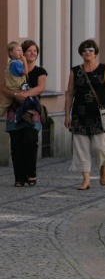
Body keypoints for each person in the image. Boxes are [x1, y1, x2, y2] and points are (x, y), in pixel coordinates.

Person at [63, 39, 105, 190]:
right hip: (80, 113)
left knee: (100, 146)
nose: (88, 52)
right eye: (85, 50)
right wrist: (67, 115)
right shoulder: (75, 71)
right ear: (81, 53)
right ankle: (86, 179)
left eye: (91, 50)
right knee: (81, 147)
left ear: (96, 53)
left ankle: (103, 167)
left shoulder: (103, 68)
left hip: (99, 113)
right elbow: (69, 94)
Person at [1, 40, 47, 187]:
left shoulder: (40, 71)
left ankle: (31, 173)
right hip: (14, 111)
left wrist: (25, 94)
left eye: (35, 51)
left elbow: (40, 88)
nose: (32, 53)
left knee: (30, 140)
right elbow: (3, 88)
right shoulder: (13, 67)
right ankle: (19, 178)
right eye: (29, 51)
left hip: (30, 111)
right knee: (16, 145)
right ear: (22, 53)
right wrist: (16, 95)